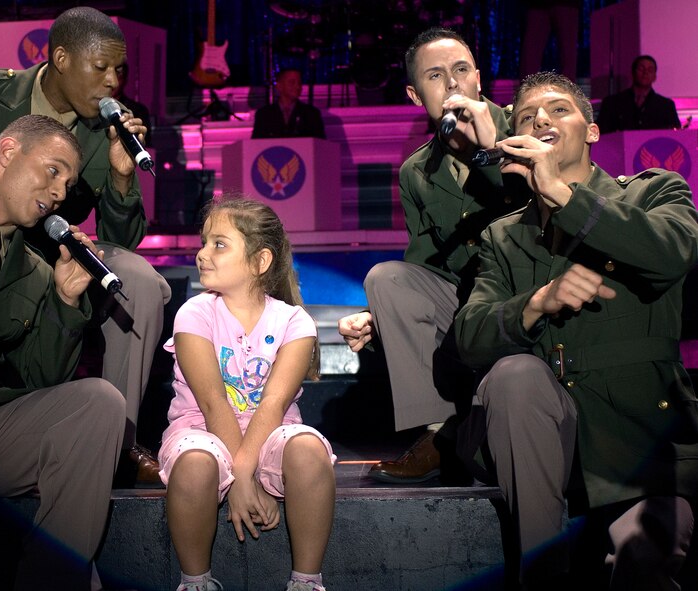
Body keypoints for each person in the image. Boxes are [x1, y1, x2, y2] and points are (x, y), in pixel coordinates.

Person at [454, 71, 698, 589]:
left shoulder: (655, 192)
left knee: (649, 555)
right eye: (525, 116)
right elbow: (470, 336)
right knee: (515, 374)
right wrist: (538, 302)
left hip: (640, 441)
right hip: (544, 442)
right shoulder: (504, 235)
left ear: (591, 131)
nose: (540, 119)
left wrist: (566, 196)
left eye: (559, 109)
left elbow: (671, 253)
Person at [0, 6, 171, 484]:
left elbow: (124, 241)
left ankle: (118, 440)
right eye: (100, 68)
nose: (112, 83)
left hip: (51, 251)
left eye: (119, 70)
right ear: (61, 57)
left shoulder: (109, 132)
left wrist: (122, 179)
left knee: (140, 281)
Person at [0, 114, 126, 591]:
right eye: (53, 171)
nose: (60, 193)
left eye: (70, 183)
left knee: (99, 402)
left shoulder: (36, 272)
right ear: (8, 150)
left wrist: (65, 299)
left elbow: (40, 378)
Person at [337, 27, 528, 484]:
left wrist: (492, 149)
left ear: (479, 79)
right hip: (466, 300)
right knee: (386, 279)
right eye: (436, 75)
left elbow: (546, 212)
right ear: (414, 94)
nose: (453, 84)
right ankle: (442, 432)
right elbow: (425, 265)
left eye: (462, 70)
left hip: (527, 292)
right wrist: (377, 314)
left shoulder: (526, 129)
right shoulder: (417, 172)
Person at [158, 196, 336, 591]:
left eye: (219, 244)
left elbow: (273, 404)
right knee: (195, 464)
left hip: (269, 432)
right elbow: (212, 401)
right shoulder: (194, 313)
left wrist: (245, 472)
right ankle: (195, 581)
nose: (203, 253)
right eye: (204, 242)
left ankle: (307, 581)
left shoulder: (294, 321)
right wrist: (243, 479)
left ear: (260, 261)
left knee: (308, 450)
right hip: (204, 428)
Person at [596, 55, 681, 134]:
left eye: (650, 70)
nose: (645, 73)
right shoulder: (612, 103)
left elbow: (675, 134)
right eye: (641, 69)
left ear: (655, 76)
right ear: (633, 73)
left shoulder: (666, 106)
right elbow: (602, 134)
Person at [252, 68, 326, 139]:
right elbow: (256, 144)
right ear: (279, 86)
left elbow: (320, 144)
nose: (297, 87)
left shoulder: (311, 113)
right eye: (292, 82)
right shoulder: (264, 114)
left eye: (299, 83)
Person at [519, 0, 580, 82]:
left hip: (567, 4)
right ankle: (525, 90)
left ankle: (568, 92)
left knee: (568, 55)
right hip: (537, 5)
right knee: (530, 54)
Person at [113, 62, 153, 146]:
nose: (113, 82)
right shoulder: (92, 108)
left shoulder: (138, 110)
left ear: (125, 80)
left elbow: (147, 144)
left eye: (118, 77)